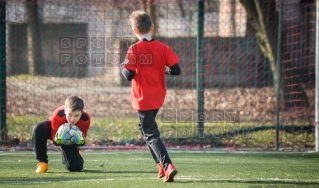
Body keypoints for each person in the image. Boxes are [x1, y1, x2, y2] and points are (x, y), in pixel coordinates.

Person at [120, 10, 181, 183]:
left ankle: (167, 164)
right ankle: (160, 165)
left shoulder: (134, 49)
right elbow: (176, 70)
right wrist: (164, 69)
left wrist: (122, 66)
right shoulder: (162, 47)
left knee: (150, 133)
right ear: (152, 27)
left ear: (135, 31)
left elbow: (129, 74)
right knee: (146, 129)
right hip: (158, 96)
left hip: (142, 98)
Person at [32, 96, 91, 173]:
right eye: (69, 115)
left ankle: (77, 154)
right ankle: (42, 163)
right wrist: (59, 139)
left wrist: (78, 141)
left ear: (82, 112)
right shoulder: (58, 114)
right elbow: (54, 134)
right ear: (65, 110)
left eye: (76, 115)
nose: (72, 119)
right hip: (55, 132)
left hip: (71, 139)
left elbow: (83, 139)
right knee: (38, 128)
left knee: (75, 168)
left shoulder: (86, 119)